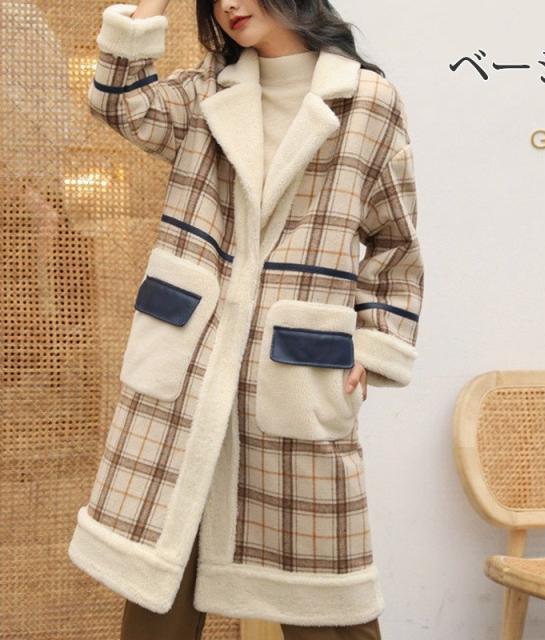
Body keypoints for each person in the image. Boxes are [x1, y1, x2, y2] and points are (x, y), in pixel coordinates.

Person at [68, 0, 424, 638]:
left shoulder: (367, 101)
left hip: (290, 370)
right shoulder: (208, 89)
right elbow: (120, 101)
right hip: (189, 364)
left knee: (323, 598)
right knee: (159, 578)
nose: (229, 4)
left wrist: (375, 345)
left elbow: (395, 241)